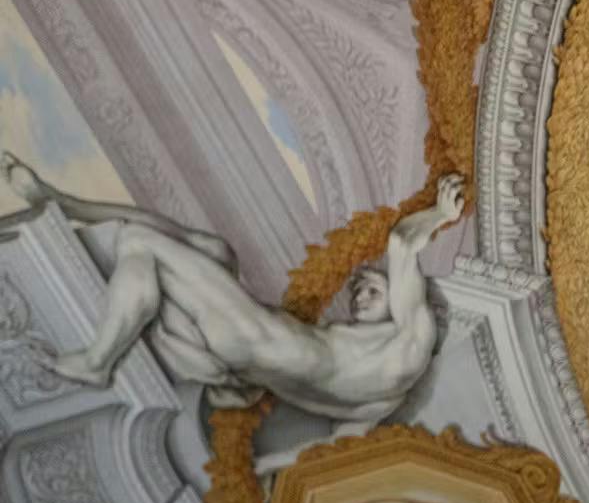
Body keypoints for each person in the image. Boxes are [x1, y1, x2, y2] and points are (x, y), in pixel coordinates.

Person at [6, 155, 465, 429]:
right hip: (250, 350)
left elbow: (401, 242)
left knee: (138, 242)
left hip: (260, 338)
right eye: (360, 290)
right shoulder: (381, 399)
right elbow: (314, 406)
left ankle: (98, 361)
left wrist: (440, 214)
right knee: (211, 249)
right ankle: (62, 202)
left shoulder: (412, 338)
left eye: (372, 288)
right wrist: (240, 382)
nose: (360, 295)